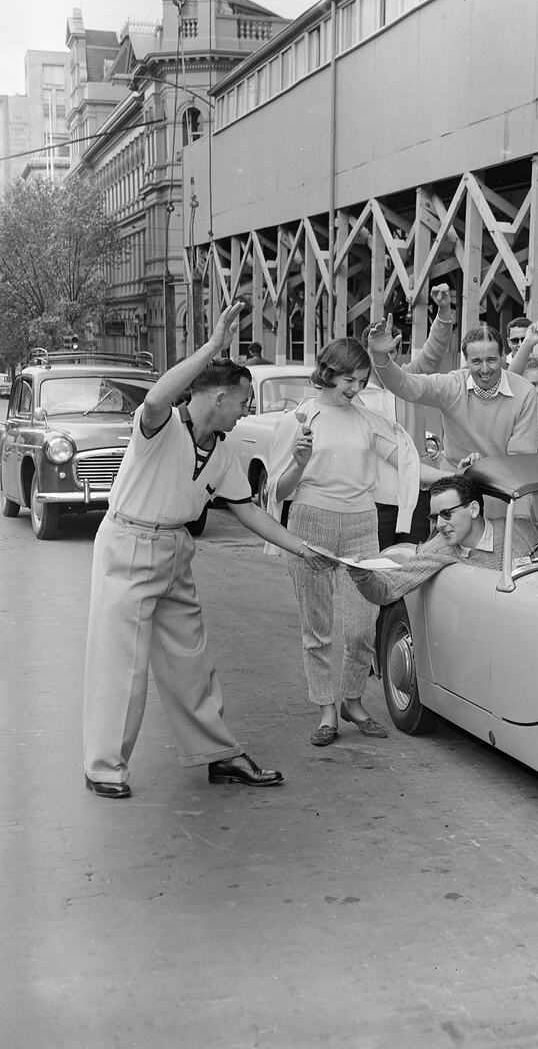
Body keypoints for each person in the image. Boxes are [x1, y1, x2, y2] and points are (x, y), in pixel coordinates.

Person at [81, 301, 337, 799]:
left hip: (176, 549)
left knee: (191, 662)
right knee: (121, 664)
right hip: (129, 543)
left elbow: (249, 511)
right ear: (219, 397)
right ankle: (105, 767)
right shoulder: (160, 428)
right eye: (243, 403)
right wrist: (212, 347)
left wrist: (302, 550)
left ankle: (218, 755)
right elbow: (157, 398)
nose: (246, 413)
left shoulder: (222, 451)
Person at [265, 337, 419, 747]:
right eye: (348, 379)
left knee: (361, 628)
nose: (354, 388)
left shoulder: (368, 420)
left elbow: (404, 462)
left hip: (361, 525)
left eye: (362, 380)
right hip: (309, 523)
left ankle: (353, 700)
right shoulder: (300, 419)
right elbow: (277, 492)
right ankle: (326, 710)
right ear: (328, 372)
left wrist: (458, 474)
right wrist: (299, 464)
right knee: (316, 629)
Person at [345, 474, 538, 604]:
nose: (440, 525)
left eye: (447, 514)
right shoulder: (439, 547)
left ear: (473, 509)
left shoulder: (521, 529)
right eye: (434, 517)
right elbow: (389, 589)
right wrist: (363, 576)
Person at [367, 306, 538, 469]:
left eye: (491, 360)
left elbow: (521, 458)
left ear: (503, 356)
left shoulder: (525, 392)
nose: (485, 369)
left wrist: (486, 471)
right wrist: (381, 357)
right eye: (477, 361)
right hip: (455, 485)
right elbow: (405, 385)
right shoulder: (453, 385)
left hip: (503, 487)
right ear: (466, 360)